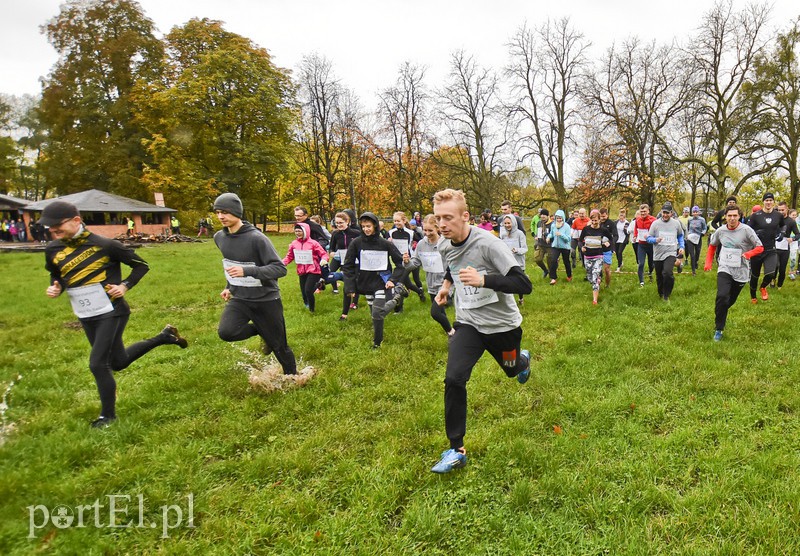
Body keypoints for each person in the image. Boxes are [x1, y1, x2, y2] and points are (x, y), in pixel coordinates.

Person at [41, 200, 188, 428]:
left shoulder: (105, 245)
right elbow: (57, 274)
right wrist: (56, 287)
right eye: (50, 227)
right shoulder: (53, 249)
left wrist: (125, 286)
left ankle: (107, 417)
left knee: (98, 364)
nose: (53, 230)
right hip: (85, 313)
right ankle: (164, 337)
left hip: (112, 311)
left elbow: (141, 265)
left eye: (57, 225)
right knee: (118, 362)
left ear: (76, 220)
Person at [430, 189, 532, 474]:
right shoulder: (445, 243)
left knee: (512, 369)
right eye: (438, 218)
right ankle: (456, 449)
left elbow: (523, 284)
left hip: (503, 327)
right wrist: (446, 287)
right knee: (454, 378)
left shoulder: (489, 244)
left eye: (448, 218)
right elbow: (453, 266)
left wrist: (483, 280)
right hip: (469, 322)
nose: (442, 225)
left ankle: (522, 361)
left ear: (465, 216)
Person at [213, 193, 297, 375]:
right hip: (241, 298)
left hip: (266, 299)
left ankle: (292, 377)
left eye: (225, 212)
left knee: (279, 346)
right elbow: (231, 264)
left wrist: (248, 271)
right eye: (218, 212)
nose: (220, 216)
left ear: (237, 212)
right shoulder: (219, 237)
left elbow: (280, 269)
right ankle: (261, 330)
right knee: (227, 332)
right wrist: (229, 286)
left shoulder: (257, 238)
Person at [341, 212, 409, 349]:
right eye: (363, 226)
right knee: (374, 314)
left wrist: (392, 280)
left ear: (375, 226)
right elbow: (347, 266)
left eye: (369, 226)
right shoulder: (356, 243)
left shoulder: (385, 243)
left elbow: (400, 264)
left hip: (381, 281)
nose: (366, 229)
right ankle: (397, 297)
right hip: (365, 282)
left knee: (378, 313)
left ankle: (377, 343)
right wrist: (350, 287)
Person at [705, 204, 763, 341]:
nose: (732, 218)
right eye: (729, 215)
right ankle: (719, 329)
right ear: (725, 216)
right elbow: (712, 246)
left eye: (735, 215)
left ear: (739, 216)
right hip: (725, 267)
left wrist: (748, 254)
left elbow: (760, 247)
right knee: (722, 296)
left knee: (728, 302)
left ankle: (720, 310)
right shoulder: (721, 231)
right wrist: (708, 262)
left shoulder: (747, 230)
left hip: (741, 271)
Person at [405, 214, 453, 335]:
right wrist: (406, 262)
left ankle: (452, 332)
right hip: (431, 284)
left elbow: (453, 264)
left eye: (430, 230)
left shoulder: (446, 243)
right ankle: (450, 334)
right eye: (425, 230)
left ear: (437, 228)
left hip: (444, 284)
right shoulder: (422, 244)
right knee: (441, 313)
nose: (427, 233)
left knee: (435, 313)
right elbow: (416, 262)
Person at [282, 222, 329, 313]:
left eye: (300, 231)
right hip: (301, 270)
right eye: (296, 231)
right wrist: (283, 263)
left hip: (313, 270)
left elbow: (323, 254)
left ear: (305, 231)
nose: (298, 233)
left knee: (308, 290)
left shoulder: (313, 243)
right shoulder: (294, 244)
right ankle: (318, 286)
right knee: (304, 292)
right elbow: (290, 256)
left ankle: (312, 310)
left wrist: (324, 260)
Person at [747, 193, 784, 302]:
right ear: (763, 201)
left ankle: (763, 287)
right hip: (757, 249)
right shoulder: (755, 215)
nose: (768, 202)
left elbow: (783, 225)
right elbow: (747, 230)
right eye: (766, 200)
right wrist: (756, 233)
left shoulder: (778, 215)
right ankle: (753, 297)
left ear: (773, 202)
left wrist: (782, 233)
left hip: (770, 249)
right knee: (755, 275)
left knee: (771, 273)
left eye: (770, 200)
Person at [646, 202, 685, 301]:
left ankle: (667, 294)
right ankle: (661, 293)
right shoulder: (655, 224)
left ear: (671, 213)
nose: (665, 215)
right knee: (659, 276)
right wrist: (655, 240)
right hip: (658, 254)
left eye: (667, 213)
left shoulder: (676, 223)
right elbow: (648, 238)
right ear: (661, 212)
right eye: (664, 212)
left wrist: (681, 246)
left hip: (670, 252)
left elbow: (680, 235)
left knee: (667, 273)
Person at [328, 211, 361, 318]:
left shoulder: (356, 233)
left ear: (347, 221)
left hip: (356, 262)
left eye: (341, 223)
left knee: (356, 283)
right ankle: (344, 314)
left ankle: (355, 302)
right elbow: (332, 248)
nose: (339, 225)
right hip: (344, 262)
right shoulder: (335, 234)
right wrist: (332, 253)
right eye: (337, 223)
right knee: (346, 287)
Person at [579, 210, 610, 305]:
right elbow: (580, 241)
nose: (594, 222)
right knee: (590, 277)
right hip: (587, 256)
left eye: (596, 220)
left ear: (599, 220)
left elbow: (611, 238)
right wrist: (582, 247)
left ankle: (595, 300)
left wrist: (608, 243)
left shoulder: (603, 230)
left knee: (595, 276)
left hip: (598, 256)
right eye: (592, 220)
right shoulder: (586, 229)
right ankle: (598, 279)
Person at [499, 213, 529, 305]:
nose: (507, 225)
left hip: (518, 262)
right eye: (505, 223)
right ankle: (509, 302)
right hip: (507, 262)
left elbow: (525, 249)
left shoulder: (520, 234)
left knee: (519, 282)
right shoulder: (503, 234)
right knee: (508, 282)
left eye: (509, 223)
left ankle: (521, 298)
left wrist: (517, 250)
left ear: (513, 223)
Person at [774, 201, 799, 288]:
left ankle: (779, 285)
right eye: (779, 210)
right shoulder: (775, 220)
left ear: (787, 209)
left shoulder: (791, 222)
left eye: (782, 210)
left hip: (785, 248)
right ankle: (773, 280)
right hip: (775, 246)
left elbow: (798, 234)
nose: (781, 212)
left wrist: (792, 239)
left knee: (782, 268)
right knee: (775, 266)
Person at [630, 203, 656, 287]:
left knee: (651, 263)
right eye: (641, 212)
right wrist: (635, 236)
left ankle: (650, 273)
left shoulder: (653, 220)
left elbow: (657, 230)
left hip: (651, 245)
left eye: (644, 211)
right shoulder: (638, 220)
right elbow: (636, 228)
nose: (643, 213)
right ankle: (641, 282)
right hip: (641, 245)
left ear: (648, 211)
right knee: (641, 263)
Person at [546, 209, 572, 285]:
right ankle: (553, 278)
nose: (559, 220)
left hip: (565, 247)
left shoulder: (567, 226)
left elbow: (568, 239)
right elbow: (551, 233)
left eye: (560, 218)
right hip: (555, 246)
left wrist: (561, 235)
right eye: (557, 218)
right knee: (553, 260)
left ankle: (569, 275)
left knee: (566, 262)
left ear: (563, 218)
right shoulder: (553, 225)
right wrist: (548, 237)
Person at [684, 206, 708, 276]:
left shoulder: (702, 220)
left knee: (697, 252)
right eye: (693, 212)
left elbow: (705, 228)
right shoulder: (690, 220)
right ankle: (693, 270)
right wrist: (687, 235)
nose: (695, 213)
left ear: (698, 212)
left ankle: (696, 262)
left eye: (696, 212)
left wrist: (703, 233)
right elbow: (687, 228)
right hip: (690, 238)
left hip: (698, 237)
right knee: (692, 255)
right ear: (692, 213)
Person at [598, 208, 618, 287]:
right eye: (601, 216)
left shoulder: (611, 224)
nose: (602, 218)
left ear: (607, 215)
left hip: (607, 249)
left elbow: (616, 236)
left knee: (606, 269)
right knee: (597, 269)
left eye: (604, 216)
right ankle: (597, 284)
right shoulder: (597, 223)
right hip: (597, 249)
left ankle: (607, 285)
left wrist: (609, 242)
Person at [532, 209, 551, 279]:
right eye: (541, 215)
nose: (542, 216)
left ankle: (551, 274)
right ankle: (545, 270)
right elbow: (538, 232)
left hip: (550, 245)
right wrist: (536, 236)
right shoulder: (539, 223)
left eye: (544, 215)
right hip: (540, 244)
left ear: (548, 216)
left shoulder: (552, 224)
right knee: (537, 259)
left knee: (550, 261)